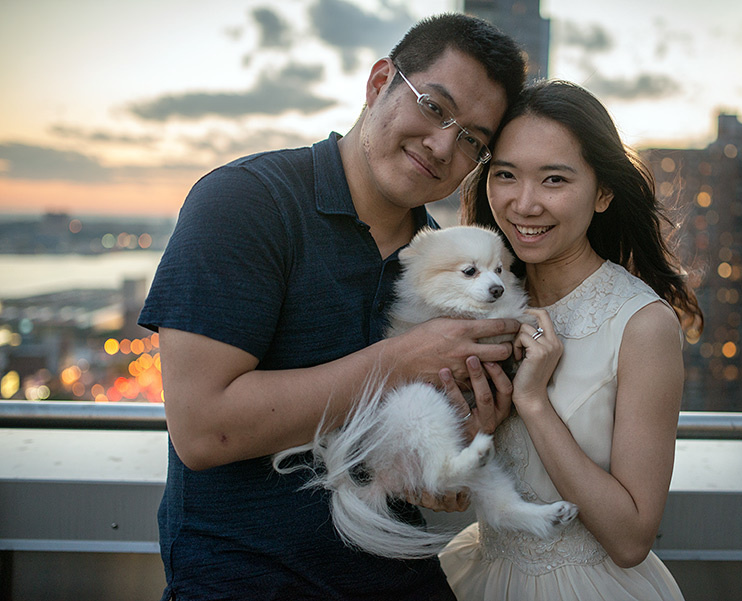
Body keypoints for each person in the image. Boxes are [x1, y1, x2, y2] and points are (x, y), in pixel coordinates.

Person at [138, 13, 527, 601]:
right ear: (379, 85)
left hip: (404, 579)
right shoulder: (246, 203)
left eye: (472, 139)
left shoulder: (448, 262)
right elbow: (201, 428)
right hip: (245, 582)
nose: (444, 144)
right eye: (434, 107)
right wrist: (401, 361)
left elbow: (429, 462)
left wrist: (449, 452)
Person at [437, 79, 704, 600]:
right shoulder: (474, 299)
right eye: (505, 175)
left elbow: (631, 539)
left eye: (554, 179)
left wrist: (533, 403)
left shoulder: (642, 324)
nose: (523, 203)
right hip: (483, 574)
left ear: (603, 192)